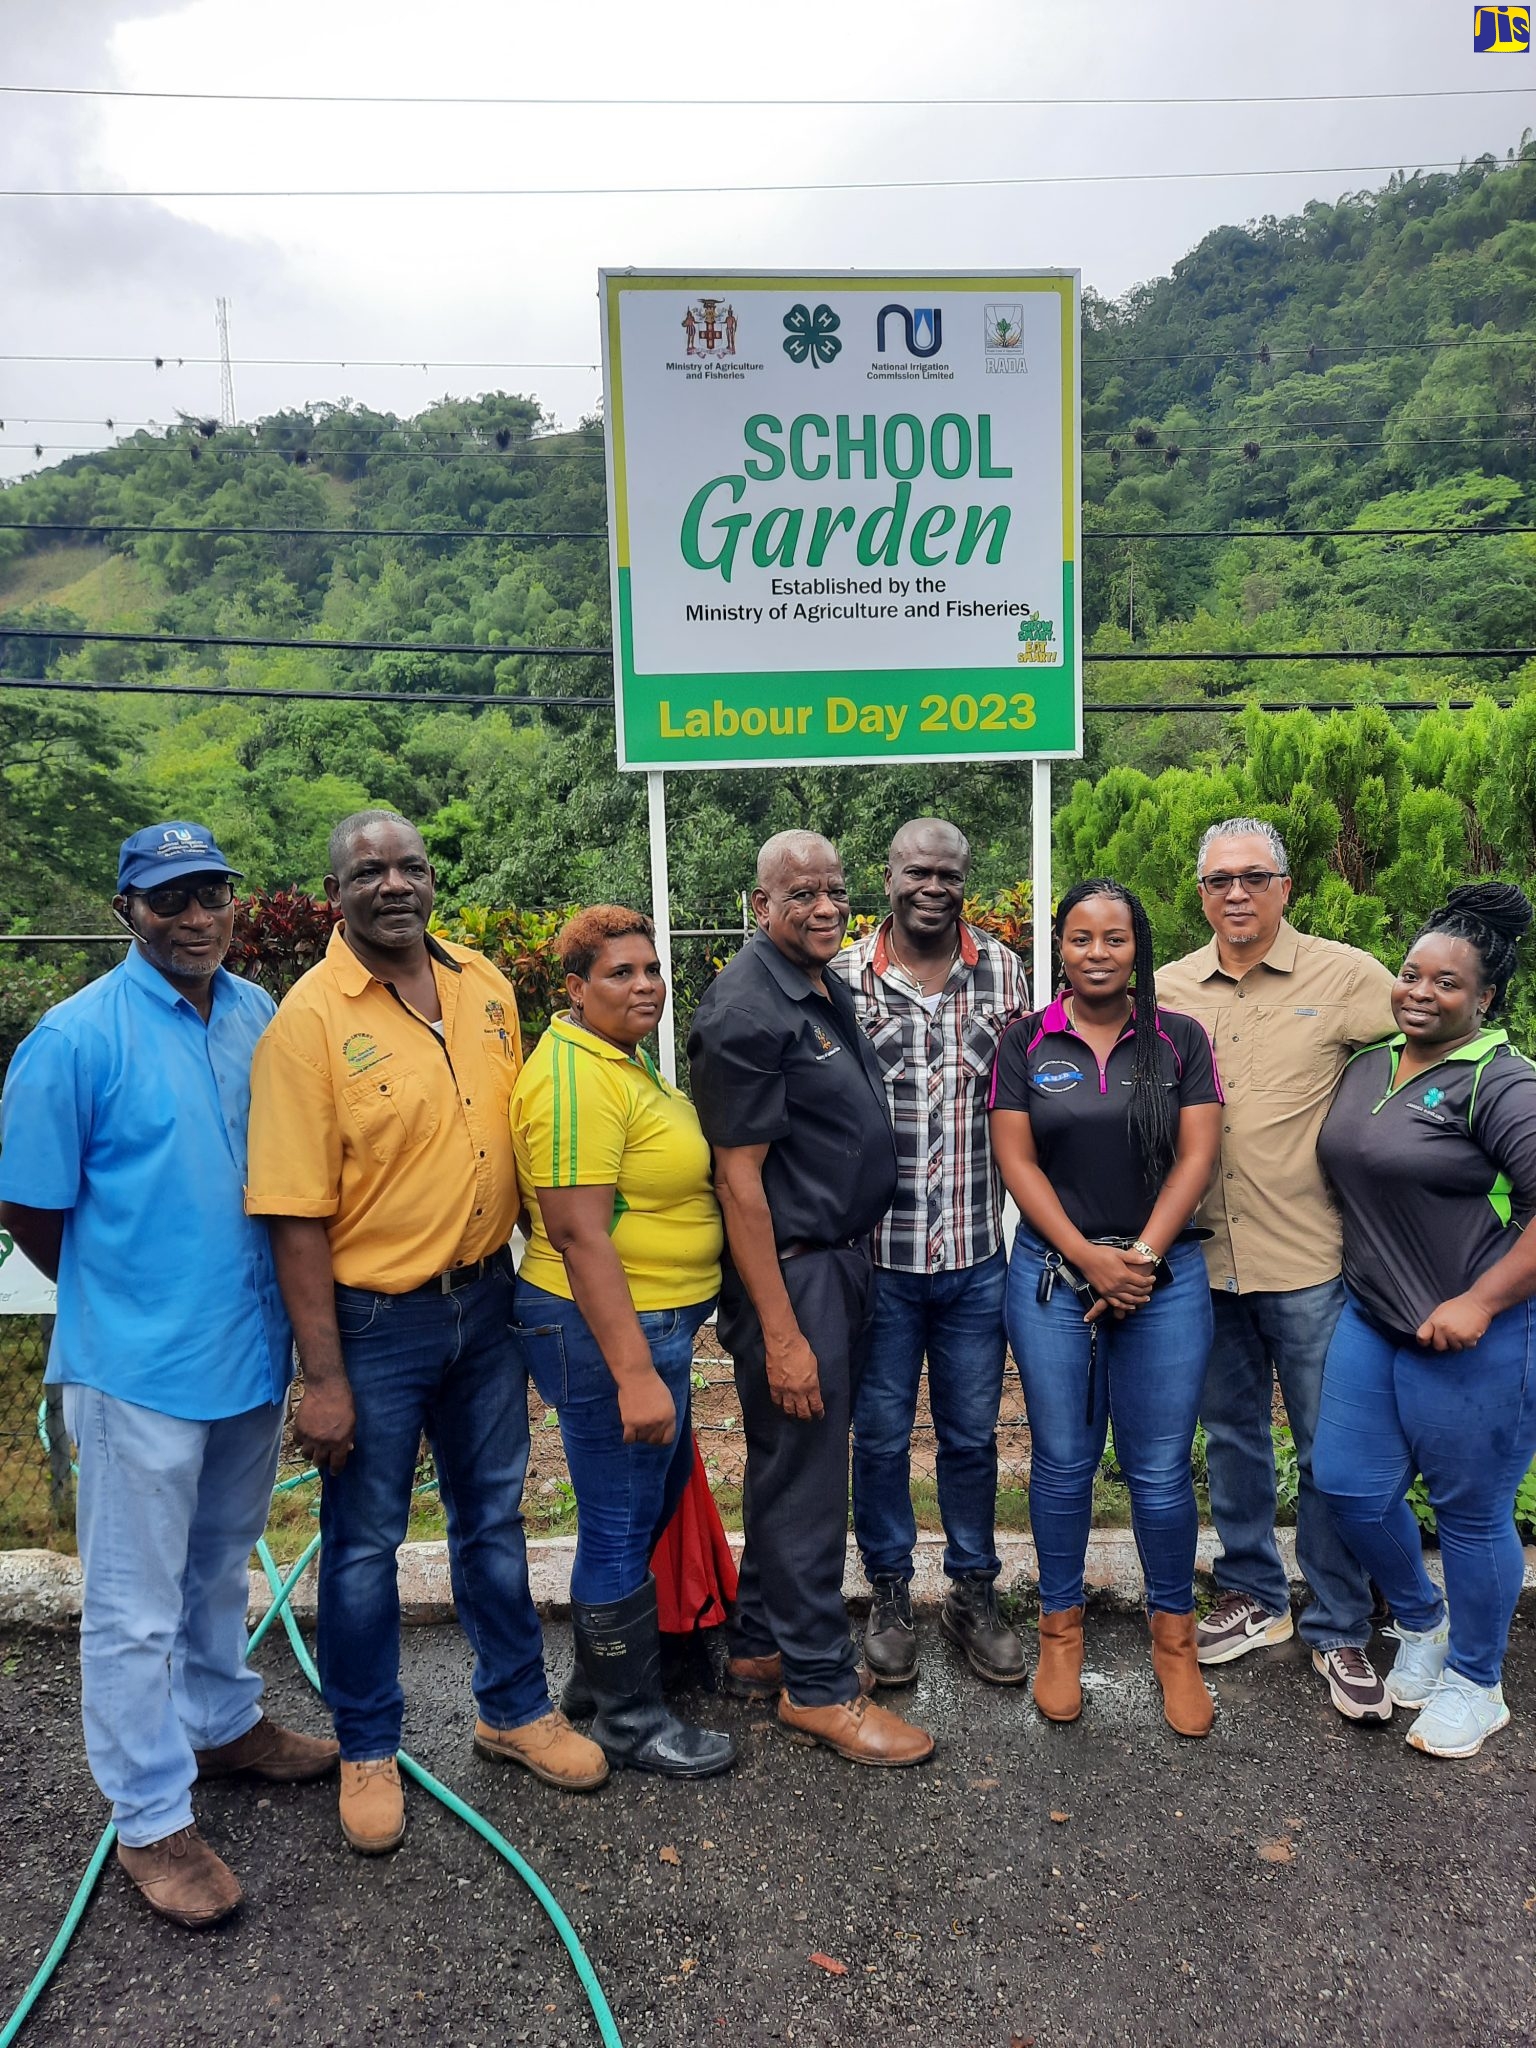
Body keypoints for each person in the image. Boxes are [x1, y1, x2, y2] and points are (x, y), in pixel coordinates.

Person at [246, 810, 606, 1855]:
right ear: (336, 892)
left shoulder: (485, 983)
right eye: (369, 869)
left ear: (432, 877)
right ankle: (367, 1746)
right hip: (373, 1321)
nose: (393, 882)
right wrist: (324, 1376)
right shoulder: (306, 1023)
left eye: (409, 864)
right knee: (363, 1546)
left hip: (485, 1302)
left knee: (492, 1517)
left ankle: (512, 1709)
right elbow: (292, 1212)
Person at [0, 823, 336, 1929]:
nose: (197, 916)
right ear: (126, 910)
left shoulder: (259, 1018)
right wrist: (125, 1290)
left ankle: (223, 1720)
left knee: (219, 1564)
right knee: (133, 1603)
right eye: (170, 899)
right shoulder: (72, 1039)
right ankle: (149, 1814)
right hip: (137, 1363)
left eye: (213, 894)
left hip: (246, 1354)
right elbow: (33, 1210)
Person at [688, 830, 934, 1766]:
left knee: (789, 1467)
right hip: (791, 1274)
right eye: (801, 895)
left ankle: (758, 1645)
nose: (825, 908)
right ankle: (819, 1687)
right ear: (759, 906)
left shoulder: (810, 984)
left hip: (832, 1262)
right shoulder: (747, 1010)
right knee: (808, 1483)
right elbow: (738, 1183)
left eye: (834, 891)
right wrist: (784, 1334)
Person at [1157, 819, 1398, 1722]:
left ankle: (1338, 1623)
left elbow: (1435, 1042)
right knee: (1231, 1437)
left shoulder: (1345, 976)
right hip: (1202, 1262)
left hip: (1308, 1258)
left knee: (1328, 1447)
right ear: (1202, 892)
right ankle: (1254, 1593)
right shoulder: (1170, 985)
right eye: (1219, 881)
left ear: (1287, 887)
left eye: (1255, 877)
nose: (1237, 895)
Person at [990, 880, 1223, 1736]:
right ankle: (1060, 1636)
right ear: (1060, 949)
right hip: (1054, 1274)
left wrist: (1142, 1260)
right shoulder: (1025, 1042)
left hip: (1165, 1277)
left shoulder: (1180, 1039)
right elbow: (1018, 1163)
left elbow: (1197, 1156)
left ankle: (1175, 1647)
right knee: (1061, 1464)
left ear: (1139, 948)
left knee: (1160, 1469)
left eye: (1114, 939)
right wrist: (1089, 1258)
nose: (1097, 952)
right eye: (1081, 938)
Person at [508, 906, 735, 1778]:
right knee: (614, 1517)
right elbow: (577, 1234)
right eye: (619, 974)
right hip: (607, 1329)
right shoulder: (573, 1077)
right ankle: (629, 1721)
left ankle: (596, 1688)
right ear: (573, 989)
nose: (644, 985)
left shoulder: (621, 1058)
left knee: (634, 1510)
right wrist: (634, 1372)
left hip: (651, 1323)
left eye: (650, 969)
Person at [1313, 884, 1536, 1758]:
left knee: (1473, 1514)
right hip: (1374, 1318)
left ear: (1485, 999)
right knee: (1347, 1482)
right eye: (1410, 974)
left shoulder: (1503, 1083)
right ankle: (1423, 1623)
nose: (1419, 991)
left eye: (1447, 983)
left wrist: (1480, 1301)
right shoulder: (1373, 1063)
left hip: (1479, 1334)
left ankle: (1478, 1682)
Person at [830, 817, 1029, 1687]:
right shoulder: (840, 977)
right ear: (889, 877)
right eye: (918, 871)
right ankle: (889, 1593)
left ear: (965, 880)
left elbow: (1022, 1100)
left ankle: (972, 1593)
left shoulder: (1005, 970)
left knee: (970, 1438)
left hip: (975, 1258)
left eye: (949, 873)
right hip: (876, 1259)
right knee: (876, 1438)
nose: (933, 886)